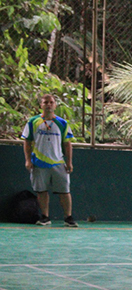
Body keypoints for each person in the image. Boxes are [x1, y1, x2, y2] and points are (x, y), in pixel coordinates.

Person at [21, 94, 77, 227]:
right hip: (39, 162)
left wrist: (69, 162)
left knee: (64, 190)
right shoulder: (33, 122)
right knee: (41, 190)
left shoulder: (62, 123)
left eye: (51, 102)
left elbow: (67, 144)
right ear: (41, 105)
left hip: (58, 162)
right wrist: (28, 160)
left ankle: (68, 218)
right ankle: (45, 217)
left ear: (55, 105)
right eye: (46, 102)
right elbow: (27, 142)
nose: (49, 104)